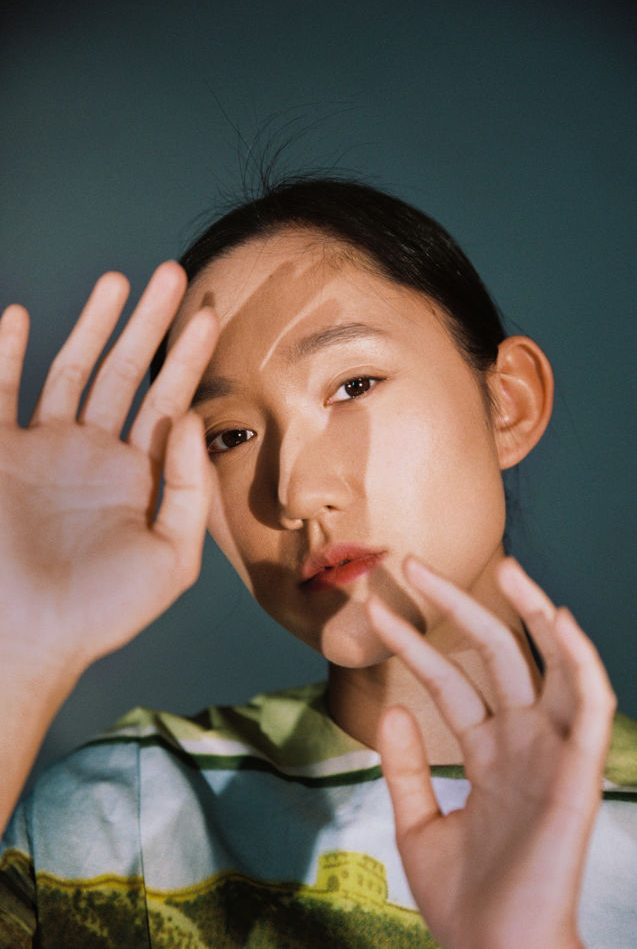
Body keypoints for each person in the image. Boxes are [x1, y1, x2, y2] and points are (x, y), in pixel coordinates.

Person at [0, 177, 635, 949]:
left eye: (352, 385)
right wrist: (17, 658)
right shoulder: (119, 814)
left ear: (508, 402)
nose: (294, 494)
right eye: (229, 437)